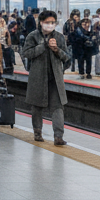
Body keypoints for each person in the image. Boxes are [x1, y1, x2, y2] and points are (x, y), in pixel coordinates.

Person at [22, 10, 71, 145]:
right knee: (37, 106)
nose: (50, 25)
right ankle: (37, 132)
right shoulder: (33, 36)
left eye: (52, 22)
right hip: (38, 77)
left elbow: (67, 58)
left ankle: (58, 136)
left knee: (58, 107)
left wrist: (56, 50)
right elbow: (26, 53)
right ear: (41, 23)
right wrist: (43, 46)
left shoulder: (60, 38)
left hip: (55, 78)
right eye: (47, 22)